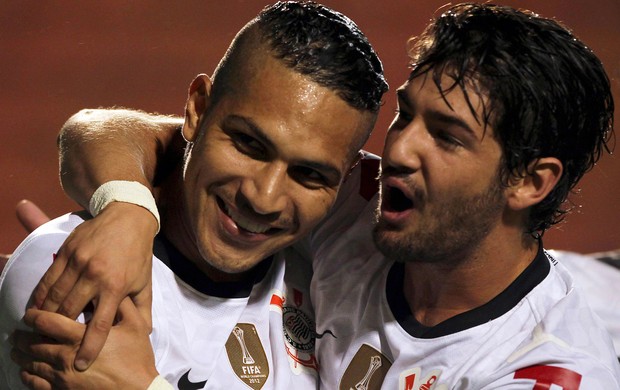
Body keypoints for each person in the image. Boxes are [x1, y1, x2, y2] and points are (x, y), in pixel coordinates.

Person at [9, 2, 620, 389]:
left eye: (448, 137)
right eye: (406, 115)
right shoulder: (361, 198)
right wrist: (125, 208)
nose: (400, 151)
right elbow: (127, 134)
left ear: (530, 182)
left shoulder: (545, 375)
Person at [0, 1, 388, 389]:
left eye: (309, 174)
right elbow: (100, 131)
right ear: (197, 109)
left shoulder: (334, 284)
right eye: (249, 144)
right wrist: (126, 205)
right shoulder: (82, 271)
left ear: (345, 178)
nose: (264, 199)